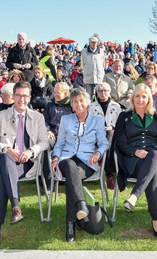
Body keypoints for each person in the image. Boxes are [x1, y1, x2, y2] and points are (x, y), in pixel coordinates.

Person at [0, 81, 49, 247]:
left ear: (29, 97)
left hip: (25, 162)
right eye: (19, 95)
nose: (22, 99)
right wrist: (7, 148)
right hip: (2, 158)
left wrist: (31, 151)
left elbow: (44, 142)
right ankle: (15, 205)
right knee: (6, 158)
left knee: (1, 178)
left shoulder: (38, 117)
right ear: (13, 97)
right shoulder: (1, 116)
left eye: (25, 96)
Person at [113, 83, 157, 239]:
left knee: (155, 155)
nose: (140, 99)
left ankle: (134, 196)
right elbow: (119, 142)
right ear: (132, 98)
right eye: (137, 96)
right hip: (133, 161)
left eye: (144, 96)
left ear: (149, 98)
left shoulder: (156, 117)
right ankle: (156, 220)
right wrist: (134, 151)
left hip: (154, 158)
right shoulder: (124, 117)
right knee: (151, 175)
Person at [51, 87, 109, 242]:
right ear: (71, 104)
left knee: (72, 178)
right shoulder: (66, 120)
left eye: (81, 100)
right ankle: (81, 205)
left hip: (87, 162)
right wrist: (56, 157)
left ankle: (70, 222)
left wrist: (98, 153)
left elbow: (104, 143)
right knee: (69, 165)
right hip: (66, 159)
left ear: (88, 102)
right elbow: (60, 142)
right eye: (75, 101)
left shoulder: (97, 121)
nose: (78, 104)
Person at [88, 82, 122, 189]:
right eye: (100, 91)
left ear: (110, 92)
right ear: (97, 93)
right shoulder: (91, 106)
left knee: (110, 135)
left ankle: (109, 172)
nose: (103, 93)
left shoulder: (116, 106)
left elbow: (121, 123)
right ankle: (109, 173)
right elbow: (88, 122)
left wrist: (112, 126)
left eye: (105, 91)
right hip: (95, 134)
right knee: (107, 137)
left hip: (112, 133)